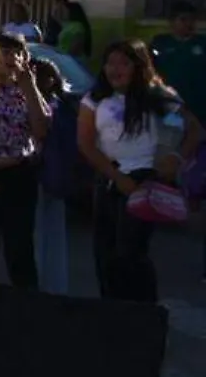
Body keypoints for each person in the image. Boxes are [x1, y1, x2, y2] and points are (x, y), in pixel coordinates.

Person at [79, 41, 202, 302]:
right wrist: (117, 179)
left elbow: (195, 130)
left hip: (144, 181)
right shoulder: (94, 98)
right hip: (110, 180)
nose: (115, 69)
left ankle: (145, 313)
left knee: (130, 253)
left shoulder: (158, 95)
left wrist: (176, 157)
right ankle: (112, 313)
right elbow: (86, 143)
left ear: (138, 66)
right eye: (110, 62)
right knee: (105, 254)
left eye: (124, 63)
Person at [0, 34, 51, 314]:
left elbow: (41, 130)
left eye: (18, 53)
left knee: (20, 247)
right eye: (5, 52)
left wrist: (29, 87)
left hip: (21, 175)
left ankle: (27, 310)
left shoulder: (25, 90)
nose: (12, 59)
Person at [31, 58, 76, 294]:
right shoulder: (65, 107)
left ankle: (47, 289)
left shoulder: (55, 109)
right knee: (51, 235)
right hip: (56, 176)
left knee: (42, 234)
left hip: (44, 174)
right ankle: (53, 287)